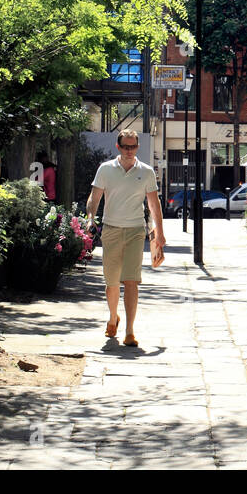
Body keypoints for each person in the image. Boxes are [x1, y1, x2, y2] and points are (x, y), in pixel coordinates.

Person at [86, 130, 165, 347]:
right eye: (126, 147)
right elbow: (95, 196)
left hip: (135, 231)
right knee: (112, 282)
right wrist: (90, 217)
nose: (130, 151)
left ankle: (130, 330)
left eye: (133, 146)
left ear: (137, 147)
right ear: (118, 147)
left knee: (131, 280)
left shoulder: (146, 172)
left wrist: (159, 233)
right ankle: (113, 318)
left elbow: (153, 204)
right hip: (111, 230)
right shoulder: (106, 169)